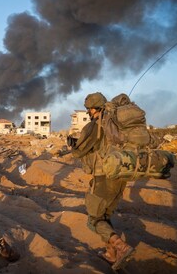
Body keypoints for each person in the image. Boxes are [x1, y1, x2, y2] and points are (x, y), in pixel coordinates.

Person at [69, 92, 134, 270]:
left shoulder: (94, 126)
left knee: (94, 219)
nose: (88, 112)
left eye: (88, 109)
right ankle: (111, 254)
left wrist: (73, 144)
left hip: (104, 177)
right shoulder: (118, 125)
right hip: (122, 175)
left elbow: (78, 151)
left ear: (92, 109)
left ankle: (122, 247)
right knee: (104, 215)